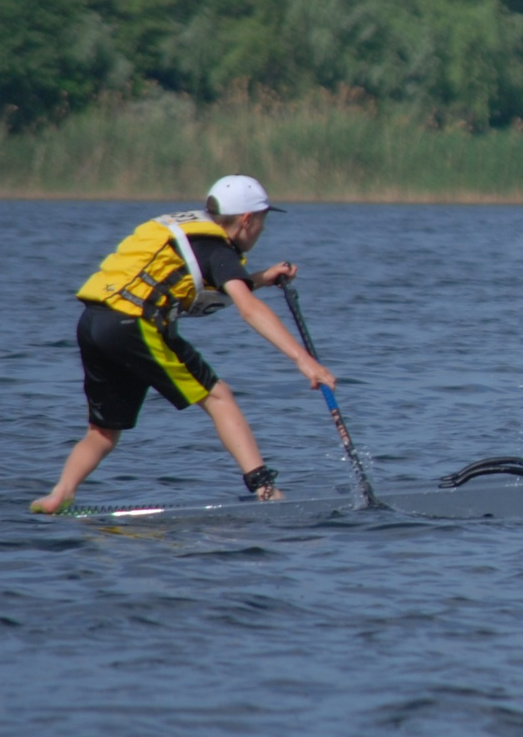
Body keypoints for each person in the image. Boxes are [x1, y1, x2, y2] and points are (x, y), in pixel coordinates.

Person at [33, 174, 334, 514]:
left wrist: (263, 278)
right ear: (247, 220)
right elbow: (248, 308)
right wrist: (304, 360)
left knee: (103, 432)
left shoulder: (190, 233)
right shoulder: (218, 250)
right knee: (219, 397)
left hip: (93, 323)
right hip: (134, 325)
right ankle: (266, 491)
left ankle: (59, 494)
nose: (263, 230)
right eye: (262, 221)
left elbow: (211, 286)